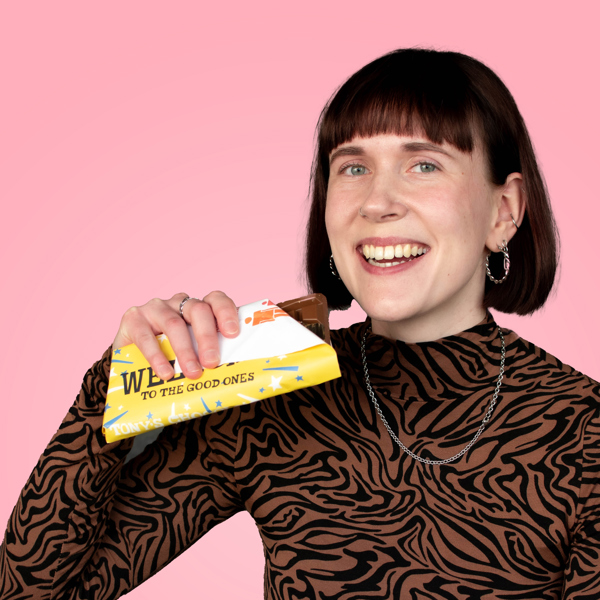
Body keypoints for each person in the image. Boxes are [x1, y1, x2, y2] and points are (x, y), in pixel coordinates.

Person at [1, 48, 598, 600]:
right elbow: (33, 592)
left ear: (503, 212)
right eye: (353, 168)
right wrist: (113, 393)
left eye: (423, 164)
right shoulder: (273, 390)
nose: (377, 202)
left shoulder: (584, 432)